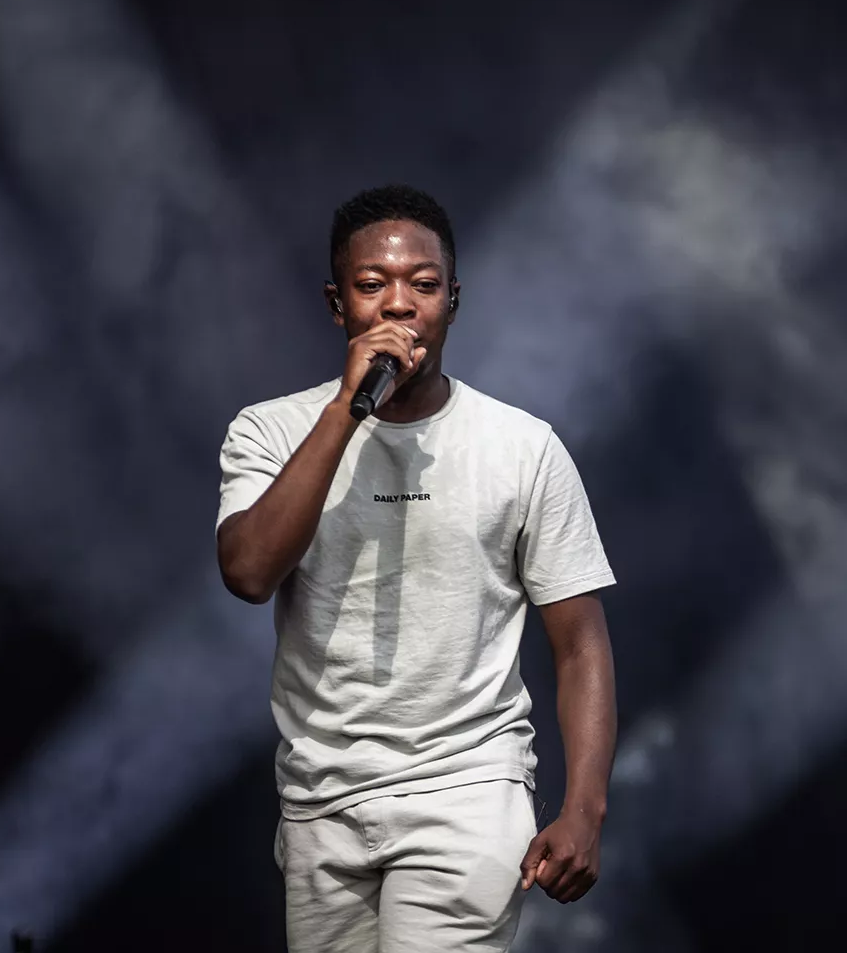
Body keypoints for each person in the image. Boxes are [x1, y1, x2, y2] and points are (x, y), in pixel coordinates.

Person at [215, 184, 618, 953]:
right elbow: (249, 571)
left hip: (466, 792)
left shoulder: (521, 446)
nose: (399, 304)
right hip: (320, 802)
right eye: (372, 285)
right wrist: (346, 409)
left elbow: (580, 641)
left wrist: (585, 809)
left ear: (453, 301)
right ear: (337, 304)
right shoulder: (270, 431)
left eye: (423, 285)